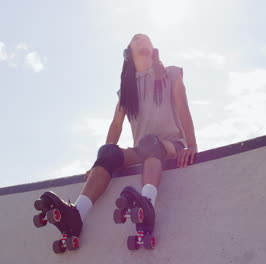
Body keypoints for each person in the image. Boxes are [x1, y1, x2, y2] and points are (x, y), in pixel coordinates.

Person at [45, 33, 197, 243]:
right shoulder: (127, 90)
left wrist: (192, 145)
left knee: (150, 143)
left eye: (147, 39)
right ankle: (76, 214)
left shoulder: (171, 74)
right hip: (144, 151)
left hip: (172, 145)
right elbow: (116, 124)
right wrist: (99, 163)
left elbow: (183, 108)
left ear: (153, 50)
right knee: (108, 153)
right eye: (137, 39)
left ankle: (148, 206)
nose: (143, 41)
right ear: (129, 54)